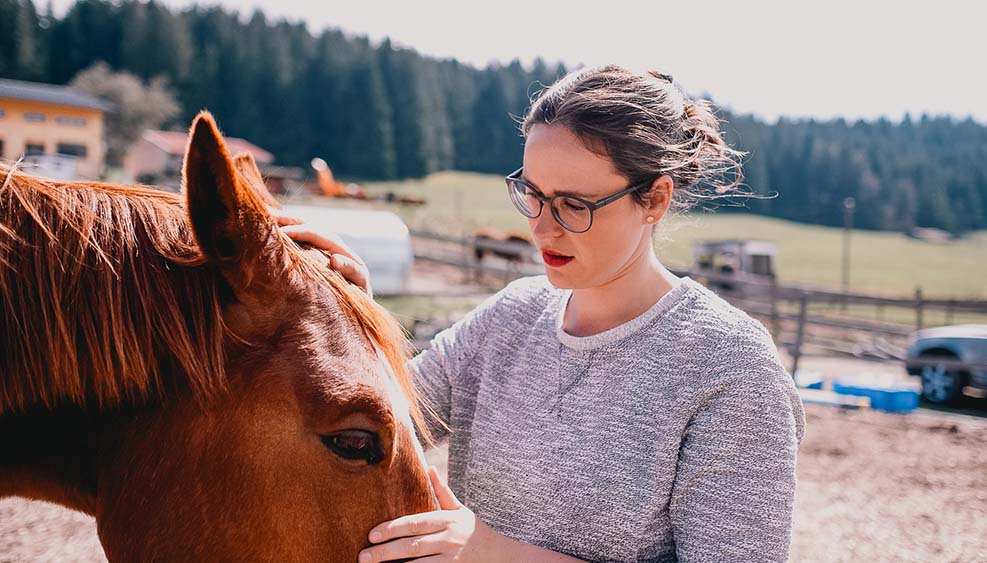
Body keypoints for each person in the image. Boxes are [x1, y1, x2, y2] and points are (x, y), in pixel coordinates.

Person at [281, 64, 806, 563]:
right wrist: (352, 314)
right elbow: (378, 424)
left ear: (655, 199)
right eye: (532, 193)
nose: (543, 228)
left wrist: (490, 552)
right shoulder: (511, 317)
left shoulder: (732, 369)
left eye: (574, 205)